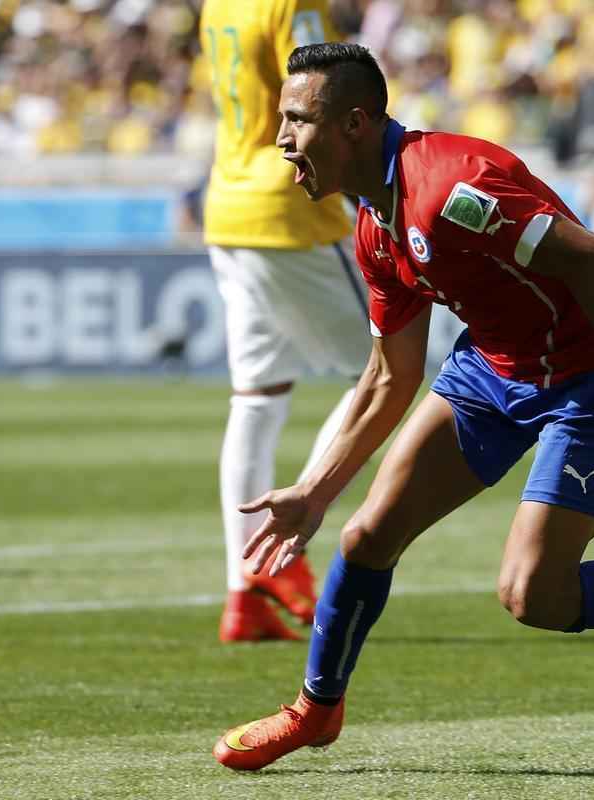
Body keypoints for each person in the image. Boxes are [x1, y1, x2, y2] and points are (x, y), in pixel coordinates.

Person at [212, 42, 594, 770]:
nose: (280, 139)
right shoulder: (374, 225)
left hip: (589, 376)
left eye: (294, 120)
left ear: (353, 123)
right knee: (364, 537)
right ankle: (315, 711)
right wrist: (315, 493)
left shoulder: (449, 191)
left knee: (532, 595)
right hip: (491, 368)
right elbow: (389, 375)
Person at [199, 2, 372, 642]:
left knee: (257, 397)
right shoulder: (291, 4)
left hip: (228, 204)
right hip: (288, 203)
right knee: (383, 373)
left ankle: (243, 593)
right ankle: (287, 547)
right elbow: (319, 90)